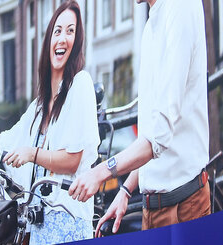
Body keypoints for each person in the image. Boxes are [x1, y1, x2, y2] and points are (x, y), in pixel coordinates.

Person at [0, 1, 98, 245]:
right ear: (48, 40)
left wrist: (32, 153)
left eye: (71, 31)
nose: (63, 38)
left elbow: (72, 159)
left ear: (77, 42)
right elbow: (8, 138)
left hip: (68, 222)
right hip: (39, 225)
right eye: (58, 31)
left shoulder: (80, 85)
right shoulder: (39, 107)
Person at [69, 0, 210, 233]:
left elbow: (159, 135)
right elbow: (153, 134)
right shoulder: (152, 23)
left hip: (183, 208)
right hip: (155, 208)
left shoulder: (181, 7)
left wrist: (100, 172)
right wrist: (126, 191)